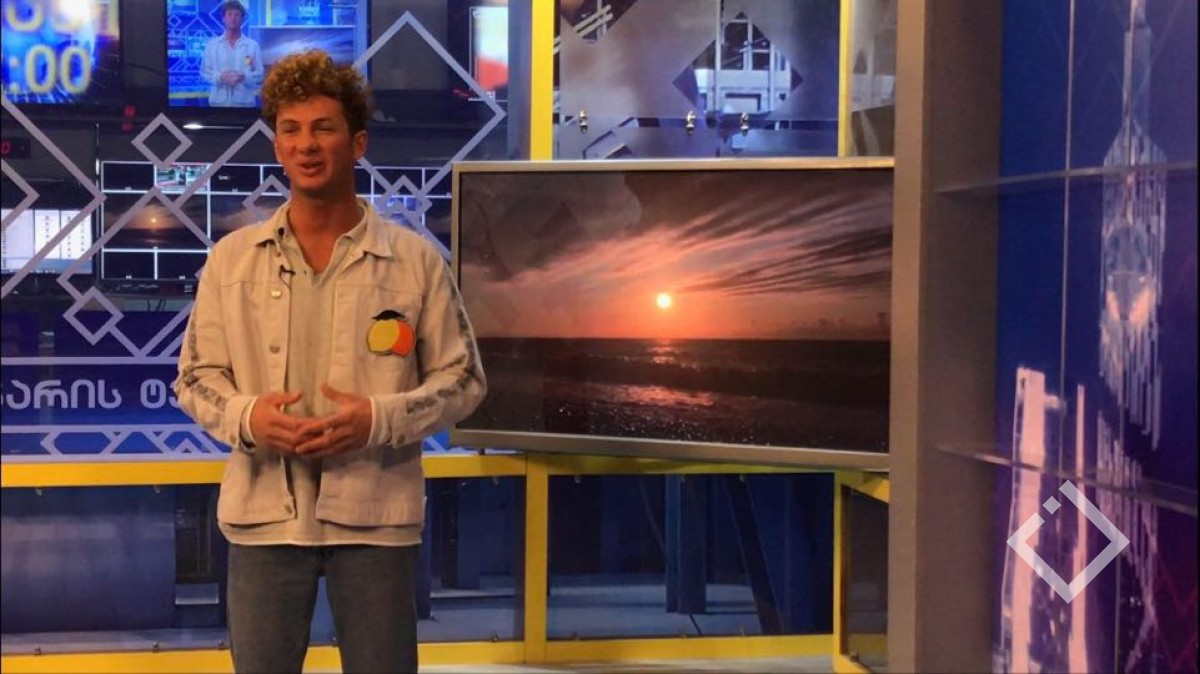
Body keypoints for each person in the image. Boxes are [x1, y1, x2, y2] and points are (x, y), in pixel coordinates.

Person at [174, 49, 487, 673]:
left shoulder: (415, 262)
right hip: (263, 519)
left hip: (376, 517)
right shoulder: (232, 260)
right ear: (277, 146)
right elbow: (195, 378)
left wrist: (380, 419)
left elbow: (464, 380)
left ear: (358, 143)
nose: (306, 145)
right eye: (290, 130)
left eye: (323, 128)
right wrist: (248, 417)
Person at [200, 0, 263, 107]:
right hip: (218, 104)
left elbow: (260, 74)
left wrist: (245, 77)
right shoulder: (212, 45)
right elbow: (204, 72)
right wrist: (220, 77)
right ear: (223, 18)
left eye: (237, 15)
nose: (233, 18)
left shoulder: (252, 46)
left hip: (244, 104)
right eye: (229, 14)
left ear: (242, 19)